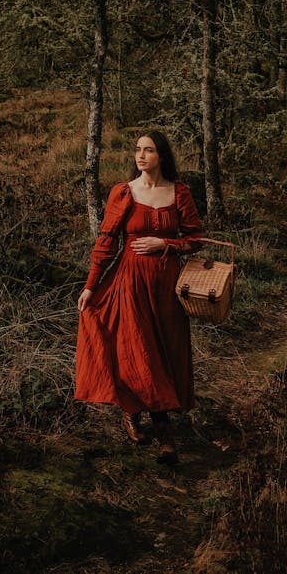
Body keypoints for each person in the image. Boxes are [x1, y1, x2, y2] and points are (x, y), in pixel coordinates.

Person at [75, 130, 203, 465]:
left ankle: (138, 412)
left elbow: (196, 239)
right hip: (130, 280)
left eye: (148, 150)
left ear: (161, 155)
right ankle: (161, 432)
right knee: (140, 350)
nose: (140, 156)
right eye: (137, 150)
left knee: (165, 351)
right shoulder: (124, 192)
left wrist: (166, 245)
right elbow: (106, 242)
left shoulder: (179, 192)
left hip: (168, 285)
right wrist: (91, 285)